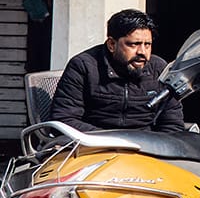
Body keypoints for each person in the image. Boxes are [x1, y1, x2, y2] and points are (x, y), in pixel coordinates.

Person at [48, 8, 187, 133]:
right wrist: (115, 141)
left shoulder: (158, 68)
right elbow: (64, 119)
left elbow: (172, 124)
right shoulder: (84, 66)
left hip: (146, 147)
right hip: (94, 145)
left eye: (147, 44)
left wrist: (157, 146)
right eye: (134, 44)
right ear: (112, 44)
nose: (142, 52)